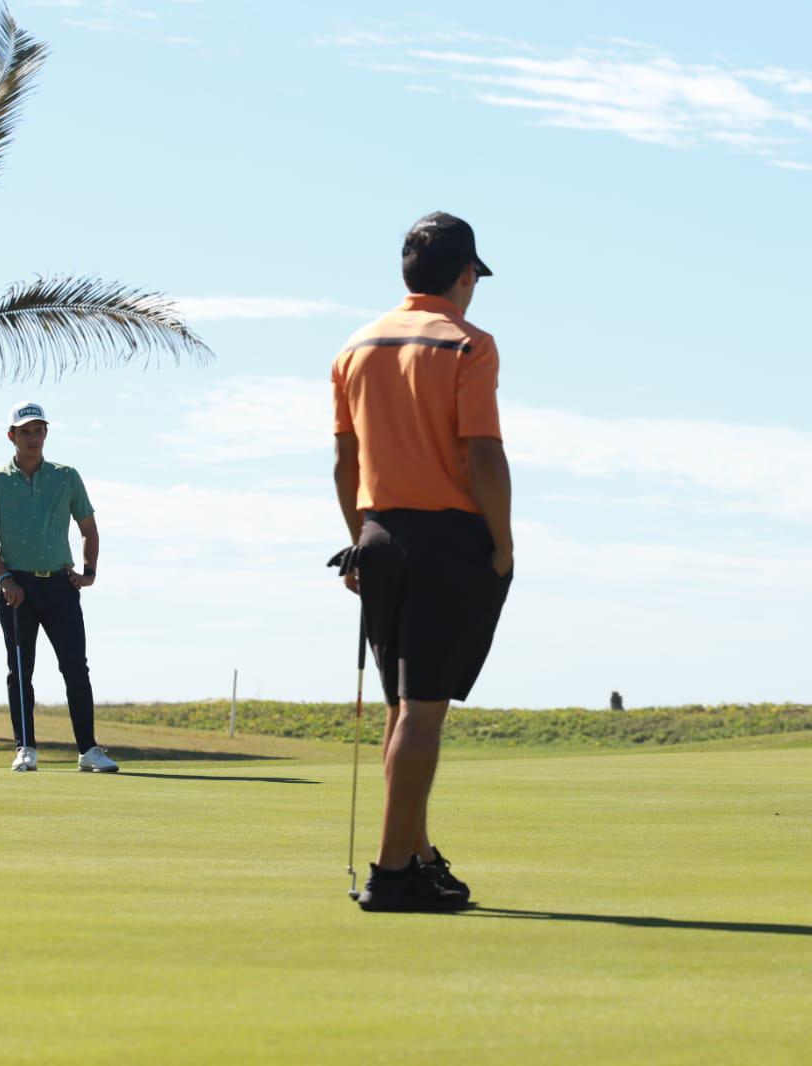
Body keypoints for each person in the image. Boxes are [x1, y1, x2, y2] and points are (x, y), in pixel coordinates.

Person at [331, 212, 513, 911]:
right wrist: (502, 543)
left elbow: (345, 462)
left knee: (401, 710)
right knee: (423, 711)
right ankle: (392, 874)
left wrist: (359, 538)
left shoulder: (357, 344)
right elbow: (481, 455)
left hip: (379, 537)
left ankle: (418, 853)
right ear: (466, 275)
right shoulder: (470, 345)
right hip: (450, 541)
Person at [0, 401, 117, 774]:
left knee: (75, 668)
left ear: (45, 434)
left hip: (60, 586)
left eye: (38, 430)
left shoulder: (66, 476)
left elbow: (89, 528)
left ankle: (88, 750)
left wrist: (89, 572)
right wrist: (4, 579)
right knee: (21, 671)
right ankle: (26, 748)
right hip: (16, 590)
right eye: (25, 431)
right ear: (12, 437)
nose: (33, 437)